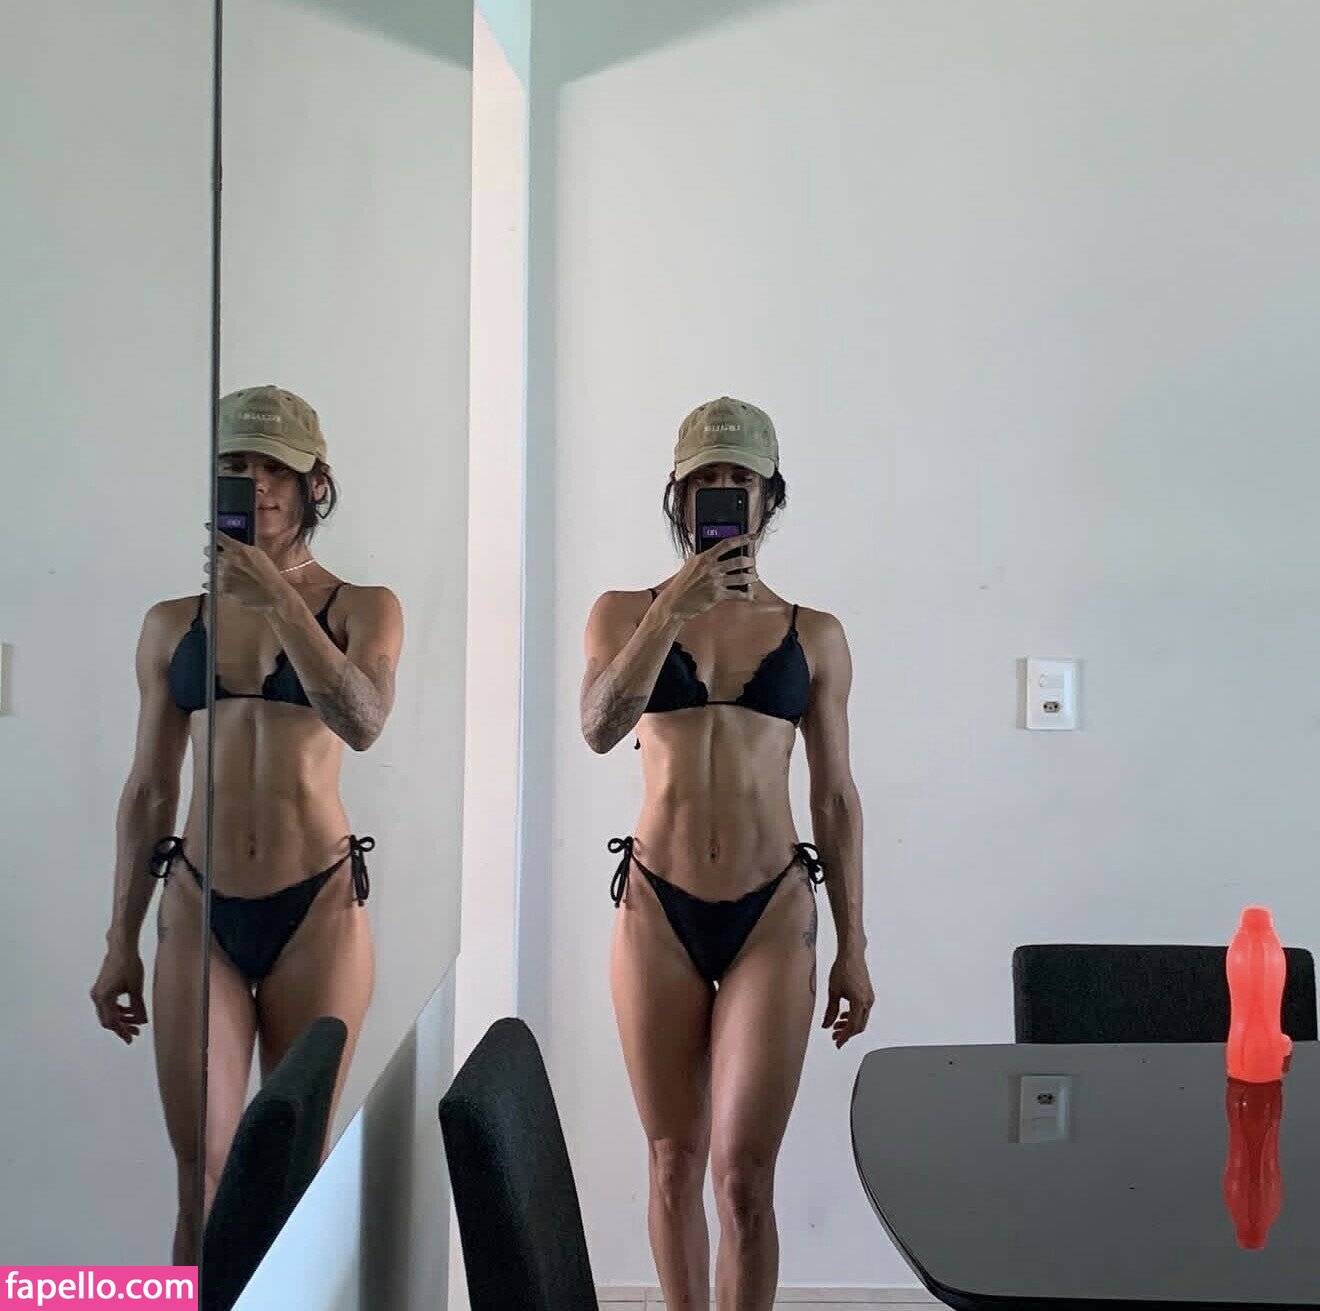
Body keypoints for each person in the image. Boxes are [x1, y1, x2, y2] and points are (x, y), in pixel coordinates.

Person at [89, 385, 404, 1262]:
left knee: (294, 1177)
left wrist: (273, 596)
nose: (258, 483)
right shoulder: (173, 623)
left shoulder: (363, 606)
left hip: (318, 911)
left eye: (277, 467)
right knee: (205, 1177)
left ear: (314, 484)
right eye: (238, 465)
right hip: (200, 907)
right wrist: (119, 938)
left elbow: (364, 720)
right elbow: (150, 788)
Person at [579, 397, 874, 1311]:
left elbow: (834, 795)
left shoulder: (812, 633)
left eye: (737, 480)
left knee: (744, 1177)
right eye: (703, 479)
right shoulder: (623, 612)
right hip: (658, 906)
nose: (720, 493)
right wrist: (675, 606)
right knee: (673, 1159)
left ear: (767, 496)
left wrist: (856, 946)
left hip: (771, 909)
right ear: (678, 496)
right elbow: (599, 726)